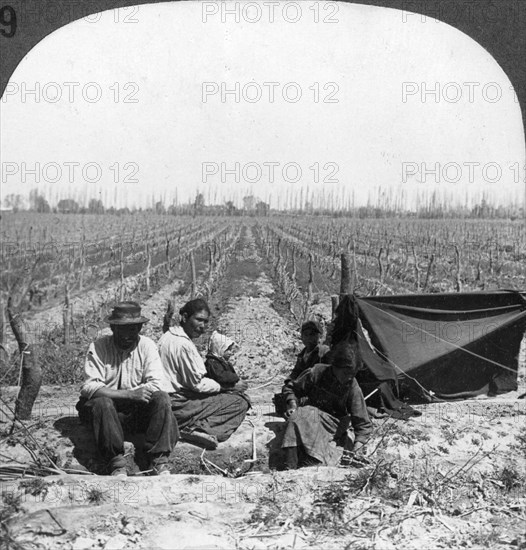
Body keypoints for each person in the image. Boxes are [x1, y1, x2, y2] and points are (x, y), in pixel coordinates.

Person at [76, 302, 178, 477]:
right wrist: (128, 394)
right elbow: (89, 387)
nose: (126, 335)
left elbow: (155, 384)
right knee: (102, 402)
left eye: (132, 329)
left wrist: (134, 396)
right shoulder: (99, 347)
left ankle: (158, 459)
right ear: (113, 328)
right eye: (121, 329)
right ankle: (116, 461)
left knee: (161, 398)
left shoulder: (147, 346)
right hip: (105, 413)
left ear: (139, 328)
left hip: (135, 412)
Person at [158, 299, 250, 450]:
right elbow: (197, 385)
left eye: (206, 322)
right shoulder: (183, 344)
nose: (203, 326)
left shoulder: (167, 336)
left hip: (168, 402)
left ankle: (194, 425)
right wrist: (225, 387)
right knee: (239, 402)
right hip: (178, 405)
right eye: (199, 320)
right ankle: (200, 430)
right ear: (185, 317)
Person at [280, 340, 373, 469]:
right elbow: (291, 388)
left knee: (305, 416)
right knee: (297, 417)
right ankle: (289, 467)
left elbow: (362, 423)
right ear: (335, 367)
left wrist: (358, 445)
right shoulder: (317, 372)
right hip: (309, 417)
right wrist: (292, 404)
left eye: (353, 374)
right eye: (346, 373)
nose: (349, 377)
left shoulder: (352, 386)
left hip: (333, 424)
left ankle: (311, 463)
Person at [273, 319, 329, 416]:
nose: (308, 338)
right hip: (303, 387)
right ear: (301, 337)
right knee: (286, 390)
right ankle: (293, 405)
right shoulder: (302, 355)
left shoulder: (324, 351)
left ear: (319, 336)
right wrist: (290, 383)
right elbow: (294, 374)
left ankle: (295, 406)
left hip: (318, 391)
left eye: (312, 334)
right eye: (305, 335)